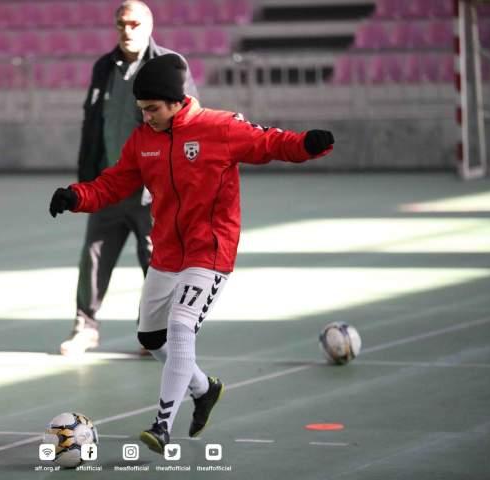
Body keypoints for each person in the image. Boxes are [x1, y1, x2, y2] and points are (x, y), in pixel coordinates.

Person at [49, 54, 334, 453]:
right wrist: (76, 195)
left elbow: (270, 142)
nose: (145, 117)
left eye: (152, 109)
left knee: (182, 327)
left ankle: (162, 423)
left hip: (210, 249)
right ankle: (204, 389)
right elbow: (114, 183)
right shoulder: (143, 140)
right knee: (151, 336)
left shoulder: (219, 128)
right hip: (166, 251)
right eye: (141, 110)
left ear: (175, 101)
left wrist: (307, 145)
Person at [60, 0, 198, 356]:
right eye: (121, 24)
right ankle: (85, 328)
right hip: (109, 184)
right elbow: (92, 124)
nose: (127, 31)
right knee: (93, 257)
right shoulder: (104, 68)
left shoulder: (170, 66)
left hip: (152, 192)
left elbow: (188, 125)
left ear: (149, 25)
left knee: (156, 263)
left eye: (135, 24)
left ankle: (155, 335)